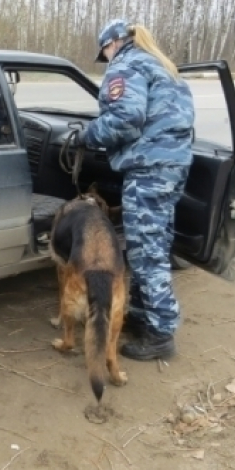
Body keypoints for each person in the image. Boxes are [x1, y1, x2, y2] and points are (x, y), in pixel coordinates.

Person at [82, 19, 195, 361]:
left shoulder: (127, 66)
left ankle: (161, 336)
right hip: (172, 167)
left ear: (112, 43)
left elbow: (125, 119)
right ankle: (145, 319)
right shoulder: (160, 65)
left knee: (147, 254)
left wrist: (85, 135)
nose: (106, 58)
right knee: (154, 245)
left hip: (148, 169)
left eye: (104, 52)